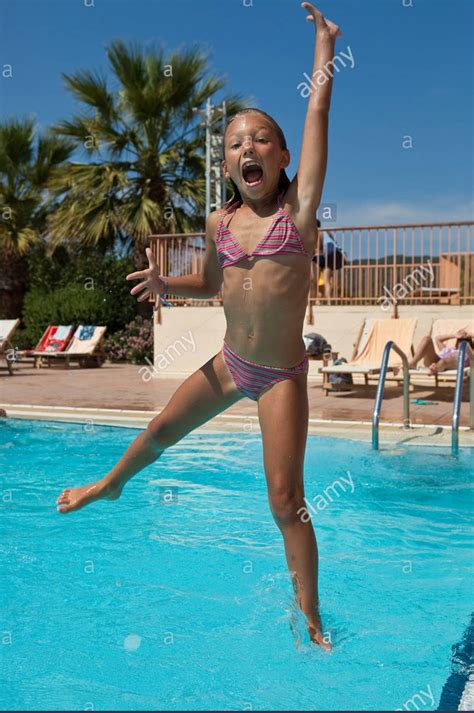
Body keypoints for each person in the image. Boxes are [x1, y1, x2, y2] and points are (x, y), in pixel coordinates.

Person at [56, 2, 341, 649]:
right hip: (229, 363)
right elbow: (212, 283)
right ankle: (110, 486)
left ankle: (312, 617)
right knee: (158, 429)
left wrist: (324, 50)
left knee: (284, 499)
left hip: (278, 377)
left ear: (284, 155)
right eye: (236, 142)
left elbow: (318, 115)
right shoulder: (219, 223)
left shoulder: (296, 213)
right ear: (227, 162)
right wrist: (166, 284)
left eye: (261, 139)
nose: (248, 148)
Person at [409, 329, 473, 374]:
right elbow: (437, 338)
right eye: (460, 340)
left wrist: (469, 335)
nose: (463, 341)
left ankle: (435, 368)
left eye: (466, 340)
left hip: (448, 363)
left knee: (445, 360)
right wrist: (454, 335)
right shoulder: (448, 349)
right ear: (456, 343)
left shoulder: (470, 353)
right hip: (435, 361)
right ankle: (413, 363)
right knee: (427, 339)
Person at [311, 219, 344, 304]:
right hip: (327, 257)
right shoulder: (326, 232)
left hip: (316, 257)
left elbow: (313, 247)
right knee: (327, 281)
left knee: (315, 281)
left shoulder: (313, 233)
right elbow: (334, 243)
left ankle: (315, 301)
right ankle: (330, 301)